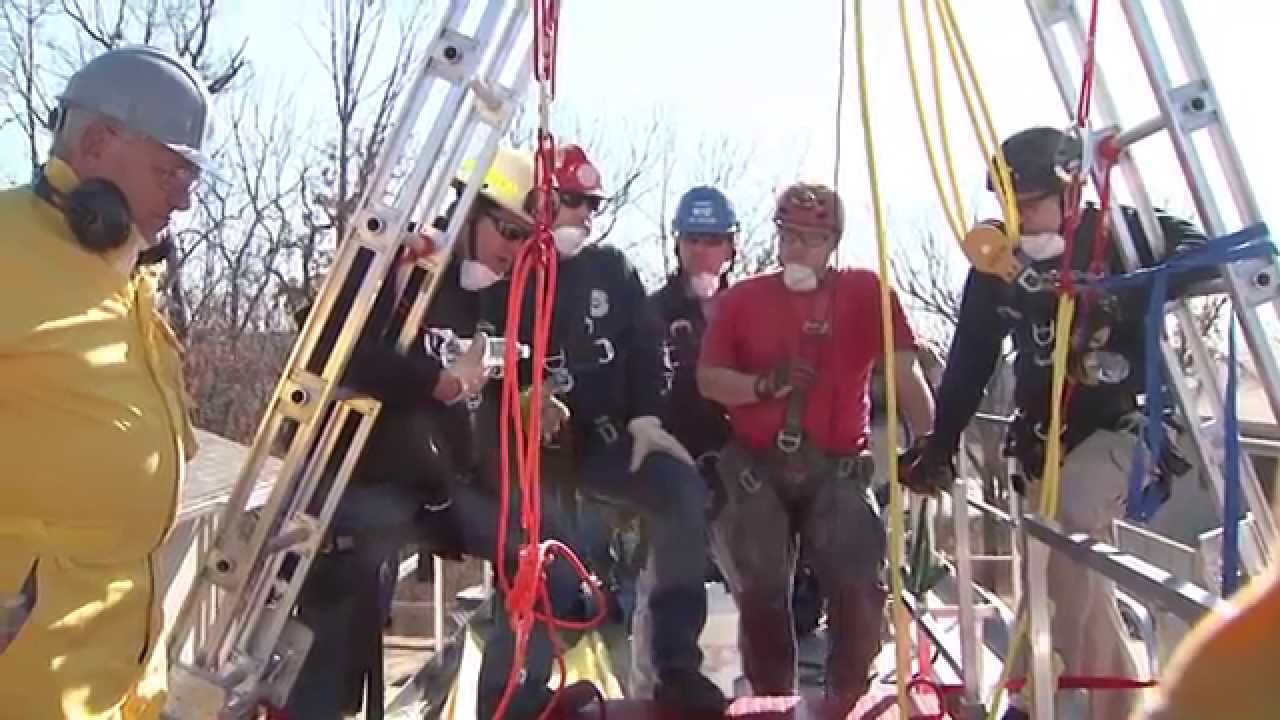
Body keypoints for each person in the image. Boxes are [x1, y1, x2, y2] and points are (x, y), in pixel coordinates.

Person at [284, 147, 600, 720]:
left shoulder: (495, 292)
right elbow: (330, 343)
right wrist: (434, 381)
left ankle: (513, 707)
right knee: (351, 587)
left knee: (543, 559)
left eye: (527, 241)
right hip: (363, 477)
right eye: (509, 231)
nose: (514, 250)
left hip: (441, 484)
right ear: (471, 211)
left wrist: (526, 398)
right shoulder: (406, 262)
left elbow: (502, 373)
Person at [904, 125, 1206, 720]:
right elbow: (970, 361)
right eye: (1008, 205)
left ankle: (1037, 692)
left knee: (1066, 526)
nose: (1019, 218)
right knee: (1064, 572)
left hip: (1127, 428)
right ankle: (1119, 704)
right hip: (1044, 442)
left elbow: (1200, 251)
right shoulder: (999, 267)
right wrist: (939, 446)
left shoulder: (1119, 234)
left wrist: (1119, 291)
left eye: (1032, 203)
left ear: (1071, 194)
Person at [0, 45, 209, 719]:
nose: (184, 197)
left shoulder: (125, 278)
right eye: (168, 171)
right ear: (95, 143)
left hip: (120, 683)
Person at [491, 144, 728, 713]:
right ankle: (518, 695)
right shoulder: (507, 270)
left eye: (590, 205)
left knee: (680, 490)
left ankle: (675, 666)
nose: (583, 215)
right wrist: (523, 397)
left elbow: (645, 346)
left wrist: (646, 416)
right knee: (536, 560)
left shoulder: (612, 270)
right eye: (572, 201)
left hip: (608, 440)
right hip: (532, 456)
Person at [697, 181, 936, 713]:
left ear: (834, 243)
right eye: (789, 236)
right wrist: (764, 385)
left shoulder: (865, 293)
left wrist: (930, 442)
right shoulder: (742, 300)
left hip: (836, 465)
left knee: (858, 585)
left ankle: (846, 697)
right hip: (757, 463)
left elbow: (904, 371)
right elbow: (710, 379)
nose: (798, 248)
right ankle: (772, 701)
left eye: (812, 238)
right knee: (761, 589)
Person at [629, 185, 740, 698]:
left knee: (761, 587)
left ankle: (767, 690)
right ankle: (652, 690)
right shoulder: (650, 312)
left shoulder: (748, 308)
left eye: (713, 240)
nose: (702, 251)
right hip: (674, 468)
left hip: (739, 468)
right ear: (677, 243)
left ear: (731, 245)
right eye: (693, 239)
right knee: (663, 587)